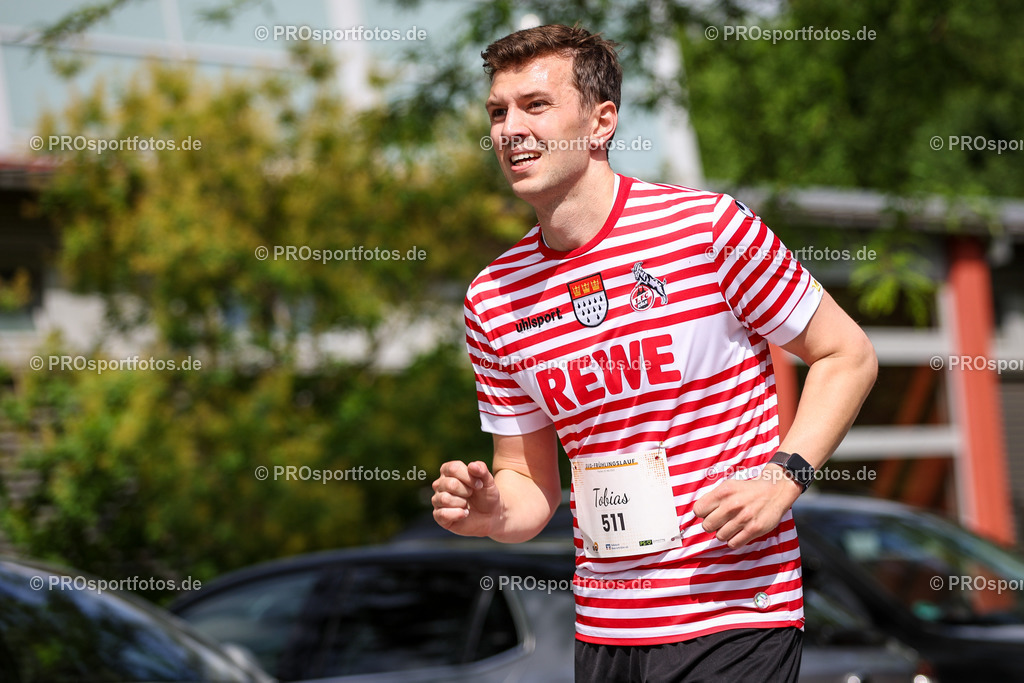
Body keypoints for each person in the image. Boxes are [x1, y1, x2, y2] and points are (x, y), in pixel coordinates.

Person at [431, 23, 877, 683]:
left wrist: (784, 474)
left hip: (735, 614)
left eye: (535, 105)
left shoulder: (708, 229)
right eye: (498, 112)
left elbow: (847, 353)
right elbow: (529, 483)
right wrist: (494, 511)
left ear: (601, 122)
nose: (510, 128)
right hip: (606, 629)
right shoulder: (493, 297)